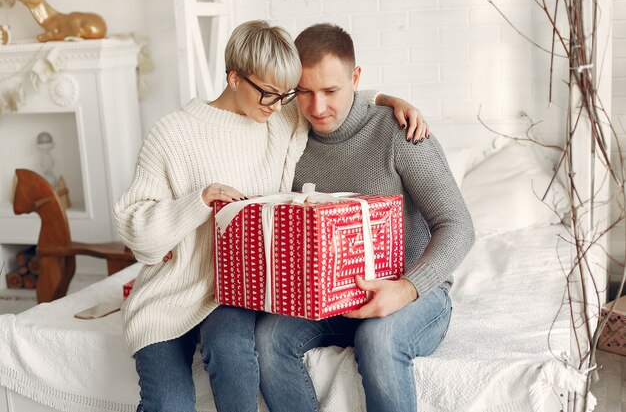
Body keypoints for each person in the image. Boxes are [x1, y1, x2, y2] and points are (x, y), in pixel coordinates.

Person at [114, 20, 428, 412]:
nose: (279, 105)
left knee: (231, 353)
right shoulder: (171, 134)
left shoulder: (281, 119)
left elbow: (335, 94)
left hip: (236, 293)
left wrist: (391, 99)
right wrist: (198, 201)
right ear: (233, 78)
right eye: (268, 93)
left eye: (286, 94)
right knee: (168, 405)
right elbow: (134, 232)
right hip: (168, 295)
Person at [255, 23, 476, 412]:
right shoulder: (289, 137)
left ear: (355, 79)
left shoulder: (399, 131)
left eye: (330, 91)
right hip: (331, 298)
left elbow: (458, 225)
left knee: (378, 338)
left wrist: (406, 288)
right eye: (304, 92)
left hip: (413, 292)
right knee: (268, 337)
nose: (317, 108)